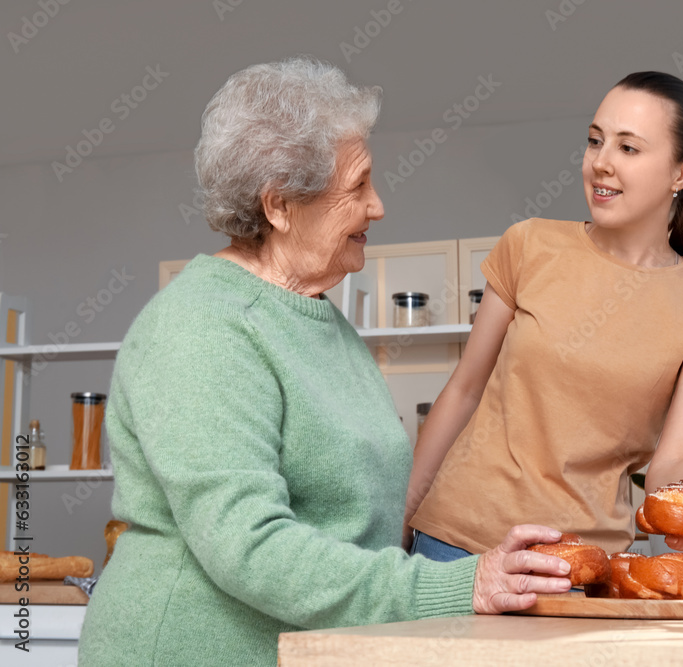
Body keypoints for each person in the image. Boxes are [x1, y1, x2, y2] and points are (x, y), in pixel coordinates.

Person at [77, 57, 571, 667]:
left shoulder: (322, 320)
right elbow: (249, 547)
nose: (379, 206)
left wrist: (473, 564)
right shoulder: (200, 327)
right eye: (358, 185)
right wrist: (454, 587)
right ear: (280, 205)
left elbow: (356, 516)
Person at [406, 71, 683, 561]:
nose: (601, 163)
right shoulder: (528, 245)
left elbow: (675, 456)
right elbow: (463, 392)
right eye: (595, 141)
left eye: (629, 148)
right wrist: (400, 523)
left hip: (582, 567)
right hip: (456, 546)